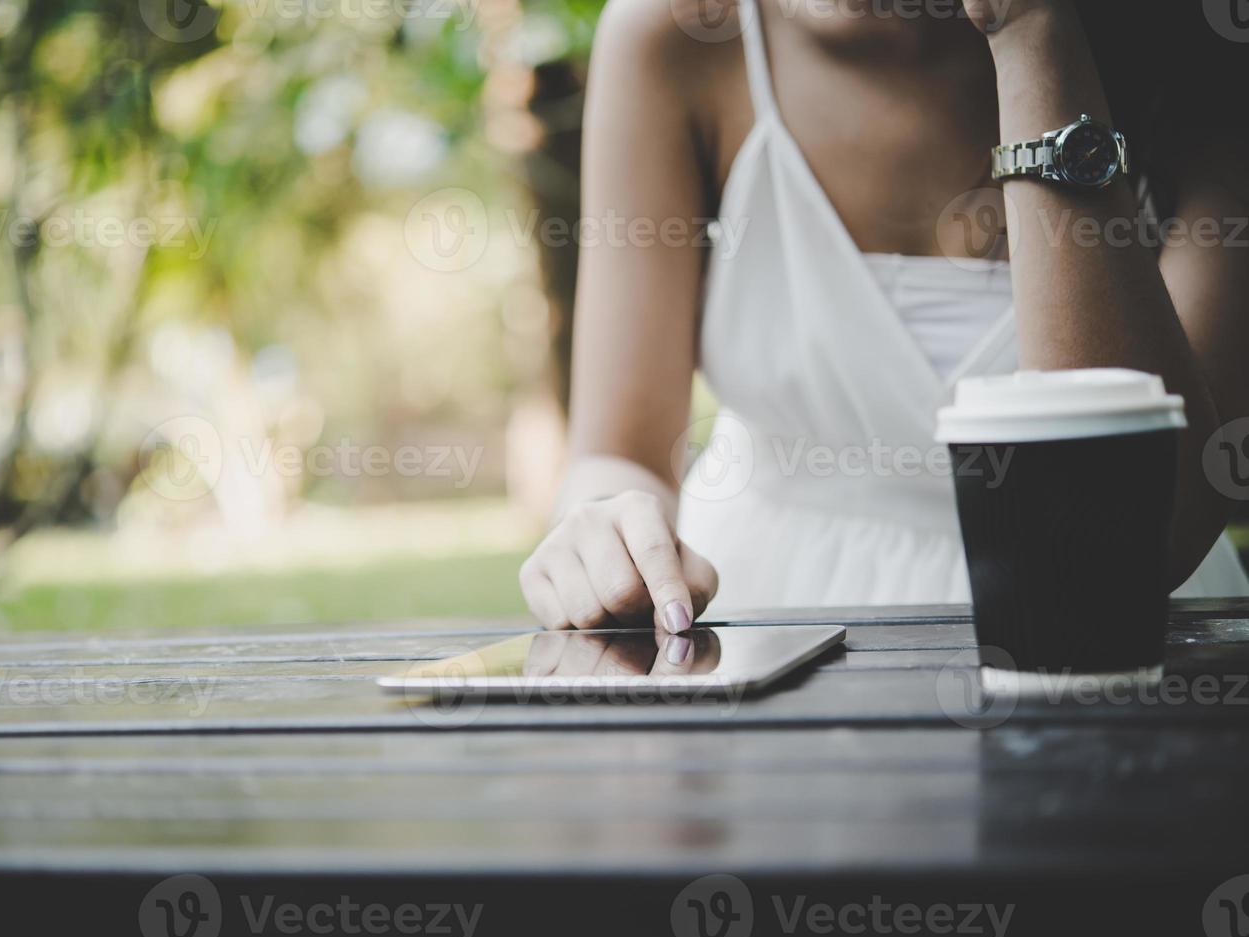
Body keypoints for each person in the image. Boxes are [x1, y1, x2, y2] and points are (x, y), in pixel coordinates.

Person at [519, 0, 1249, 630]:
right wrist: (608, 528)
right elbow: (619, 454)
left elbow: (1135, 538)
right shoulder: (679, 33)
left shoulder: (1201, 50)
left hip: (1113, 663)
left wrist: (1030, 31)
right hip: (761, 633)